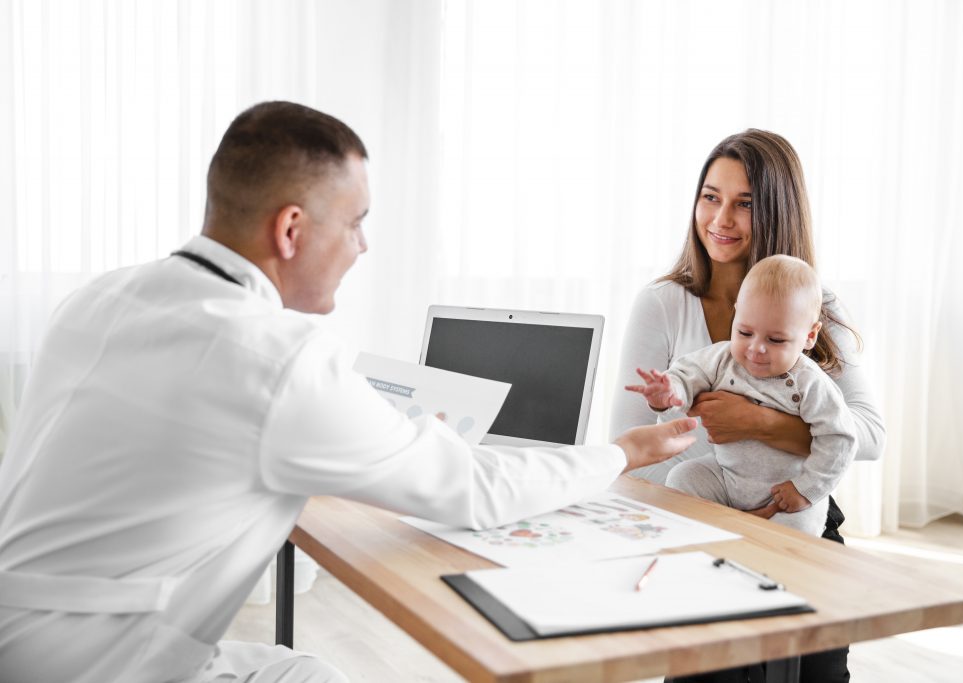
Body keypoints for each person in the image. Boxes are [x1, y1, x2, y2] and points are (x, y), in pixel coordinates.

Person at [0, 101, 699, 683]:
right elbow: (475, 487)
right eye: (356, 221)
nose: (363, 247)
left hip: (23, 640)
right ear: (291, 228)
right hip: (98, 666)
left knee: (311, 671)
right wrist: (623, 451)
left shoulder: (98, 297)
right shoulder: (272, 354)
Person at [611, 129, 885, 683]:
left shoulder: (817, 306)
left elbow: (871, 436)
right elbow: (629, 451)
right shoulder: (663, 305)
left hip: (795, 507)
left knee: (818, 670)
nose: (721, 219)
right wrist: (723, 508)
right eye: (710, 197)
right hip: (701, 514)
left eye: (744, 204)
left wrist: (761, 424)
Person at [627, 255, 858, 537]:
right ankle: (697, 542)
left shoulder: (810, 383)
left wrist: (807, 489)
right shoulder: (722, 358)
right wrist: (668, 391)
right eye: (745, 332)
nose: (756, 348)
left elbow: (841, 439)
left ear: (809, 336)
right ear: (736, 315)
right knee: (684, 476)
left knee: (791, 537)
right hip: (727, 477)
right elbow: (688, 373)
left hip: (787, 491)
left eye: (775, 340)